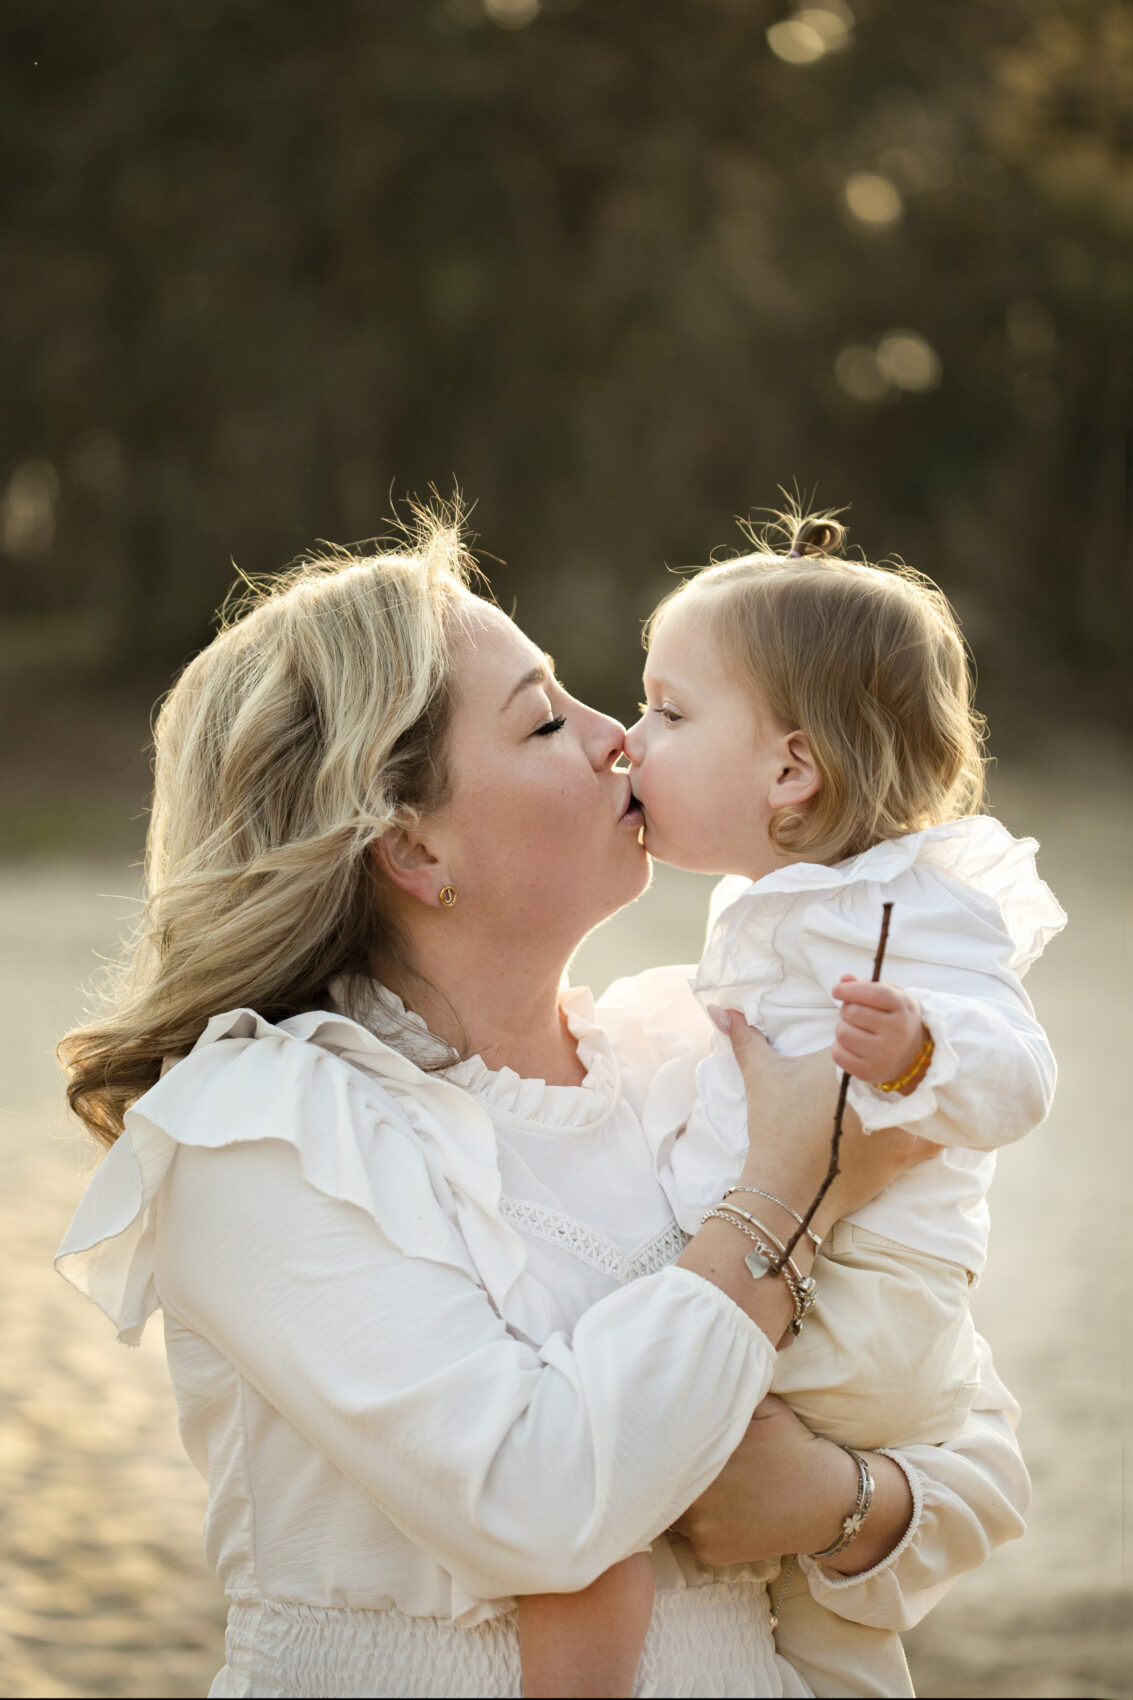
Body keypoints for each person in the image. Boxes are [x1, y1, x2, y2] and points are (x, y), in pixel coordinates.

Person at [55, 513, 1031, 1699]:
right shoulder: (264, 1127)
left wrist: (832, 1501)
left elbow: (965, 1424)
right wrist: (788, 1188)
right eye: (543, 717)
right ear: (411, 847)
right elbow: (535, 1501)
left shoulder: (687, 1043)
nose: (616, 737)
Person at [518, 511, 1063, 1696]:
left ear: (788, 770)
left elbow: (1019, 1073)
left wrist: (922, 1053)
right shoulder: (780, 896)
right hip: (825, 1293)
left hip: (859, 1305)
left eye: (666, 712)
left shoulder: (906, 907)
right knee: (823, 1630)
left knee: (607, 1472)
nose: (628, 741)